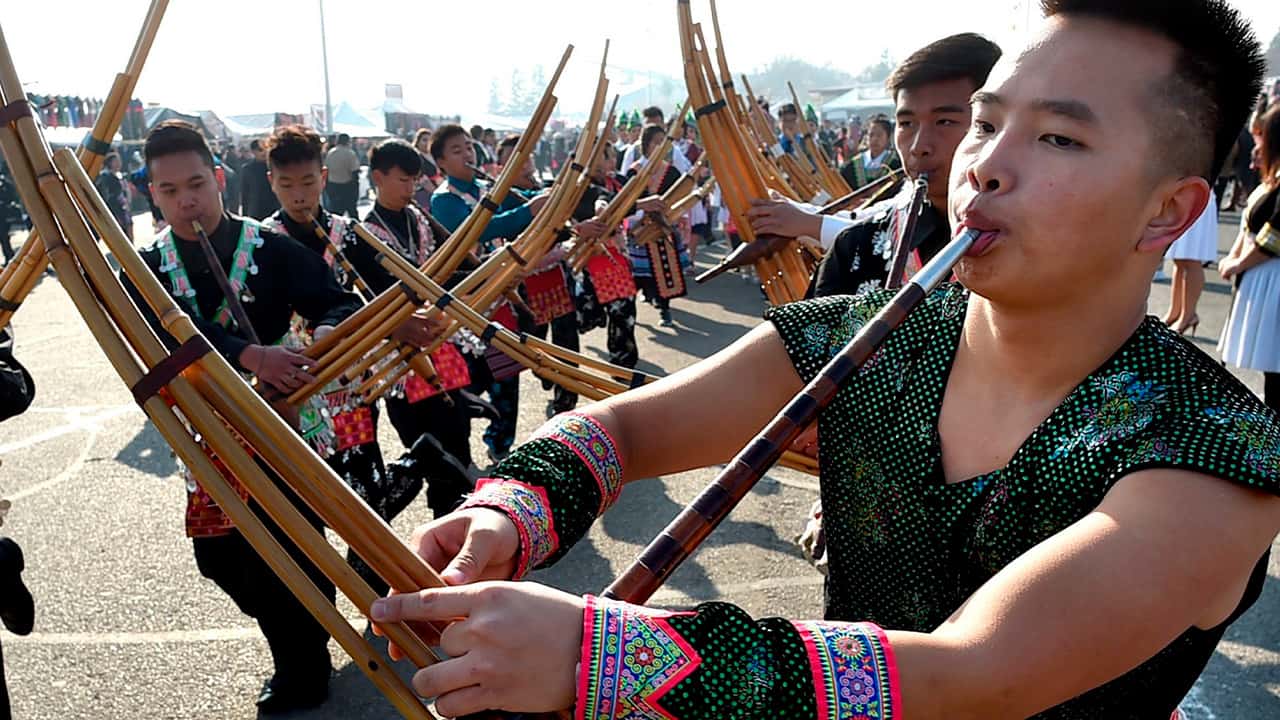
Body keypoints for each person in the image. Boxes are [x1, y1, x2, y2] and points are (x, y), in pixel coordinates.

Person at [371, 3, 1280, 718]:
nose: (984, 166)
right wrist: (512, 511)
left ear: (1170, 211)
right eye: (986, 125)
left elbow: (975, 677)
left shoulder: (1213, 453)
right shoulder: (856, 334)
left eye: (1059, 138)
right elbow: (623, 426)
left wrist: (600, 657)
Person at [125, 120, 362, 712]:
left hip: (283, 424)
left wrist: (326, 334)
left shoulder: (269, 246)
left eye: (197, 184)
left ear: (221, 179)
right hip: (208, 438)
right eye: (171, 189)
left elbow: (335, 298)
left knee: (295, 544)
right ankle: (303, 640)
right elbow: (154, 336)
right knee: (223, 558)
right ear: (153, 194)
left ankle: (303, 669)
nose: (187, 201)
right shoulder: (146, 266)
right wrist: (247, 354)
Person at [259, 125, 469, 591]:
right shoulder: (261, 241)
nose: (300, 195)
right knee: (312, 491)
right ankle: (420, 463)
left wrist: (403, 322)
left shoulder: (346, 233)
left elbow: (383, 293)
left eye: (309, 182)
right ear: (271, 180)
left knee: (366, 490)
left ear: (325, 177)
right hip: (294, 388)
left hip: (352, 380)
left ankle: (371, 579)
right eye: (288, 184)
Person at [748, 34, 1002, 297]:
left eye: (944, 122)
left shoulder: (1030, 246)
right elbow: (862, 218)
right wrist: (797, 215)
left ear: (990, 125)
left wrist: (805, 220)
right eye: (906, 124)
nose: (918, 146)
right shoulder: (856, 246)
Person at [343, 138, 481, 514]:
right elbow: (363, 300)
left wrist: (487, 271)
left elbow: (456, 267)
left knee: (458, 441)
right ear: (378, 178)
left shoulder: (419, 219)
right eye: (403, 180)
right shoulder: (360, 235)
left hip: (441, 348)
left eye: (415, 181)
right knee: (426, 446)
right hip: (399, 360)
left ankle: (453, 520)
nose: (411, 189)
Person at [430, 124, 549, 461]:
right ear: (440, 162)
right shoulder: (445, 200)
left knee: (507, 378)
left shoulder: (487, 186)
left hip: (502, 298)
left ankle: (500, 447)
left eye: (468, 146)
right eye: (456, 150)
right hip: (470, 303)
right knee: (474, 380)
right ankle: (467, 451)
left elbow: (523, 209)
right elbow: (478, 229)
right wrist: (528, 211)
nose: (468, 154)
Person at [1219, 105, 1280, 411]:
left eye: (1261, 138)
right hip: (1266, 281)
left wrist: (1237, 264)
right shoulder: (1275, 178)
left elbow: (1275, 238)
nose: (1256, 145)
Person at [626, 124, 689, 327]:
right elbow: (626, 203)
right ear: (645, 144)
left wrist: (673, 215)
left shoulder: (670, 171)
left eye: (663, 142)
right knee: (639, 275)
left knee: (665, 272)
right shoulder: (634, 171)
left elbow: (680, 197)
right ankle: (628, 311)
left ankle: (665, 310)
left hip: (663, 230)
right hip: (640, 230)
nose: (660, 146)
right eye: (656, 142)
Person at [1162, 191, 1219, 335]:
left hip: (1197, 197)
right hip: (1181, 198)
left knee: (1191, 259)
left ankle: (1188, 315)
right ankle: (1175, 312)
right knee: (1179, 259)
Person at [94, 152, 133, 240]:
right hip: (113, 207)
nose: (119, 163)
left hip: (124, 206)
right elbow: (104, 192)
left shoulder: (121, 175)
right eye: (116, 161)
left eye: (119, 161)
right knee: (118, 230)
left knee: (129, 227)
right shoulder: (105, 176)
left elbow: (125, 190)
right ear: (110, 162)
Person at [238, 139, 280, 220]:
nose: (264, 152)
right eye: (260, 150)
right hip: (257, 211)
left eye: (266, 148)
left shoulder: (275, 166)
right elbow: (245, 194)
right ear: (253, 152)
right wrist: (245, 215)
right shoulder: (248, 169)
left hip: (275, 209)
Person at [323, 133, 361, 217]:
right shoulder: (350, 153)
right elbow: (354, 172)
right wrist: (355, 188)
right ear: (348, 141)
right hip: (348, 187)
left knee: (336, 213)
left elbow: (326, 170)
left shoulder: (330, 153)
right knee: (352, 213)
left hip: (333, 186)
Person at [412, 127, 439, 208]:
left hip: (436, 190)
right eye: (424, 140)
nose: (427, 143)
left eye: (429, 140)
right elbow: (421, 178)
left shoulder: (434, 155)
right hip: (423, 192)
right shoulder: (417, 156)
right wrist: (434, 191)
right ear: (418, 142)